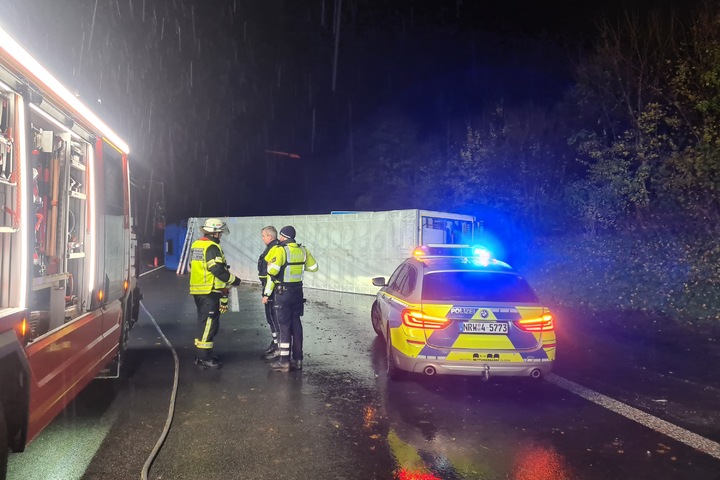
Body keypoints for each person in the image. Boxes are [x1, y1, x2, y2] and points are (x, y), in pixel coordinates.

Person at [262, 225, 318, 372]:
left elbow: (273, 271)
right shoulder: (303, 250)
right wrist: (298, 266)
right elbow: (314, 268)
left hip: (283, 293)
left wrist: (270, 266)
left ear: (283, 237)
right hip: (298, 292)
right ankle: (298, 359)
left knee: (284, 326)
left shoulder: (281, 250)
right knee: (296, 325)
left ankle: (284, 361)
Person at [189, 218, 241, 369]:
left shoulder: (197, 244)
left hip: (199, 290)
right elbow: (217, 270)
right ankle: (204, 357)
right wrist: (234, 280)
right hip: (209, 291)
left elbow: (193, 266)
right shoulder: (212, 247)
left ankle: (202, 354)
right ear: (214, 233)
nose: (221, 236)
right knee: (209, 325)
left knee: (203, 323)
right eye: (219, 233)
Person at [257, 225, 281, 359]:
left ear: (270, 236)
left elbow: (272, 274)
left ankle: (278, 346)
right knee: (270, 317)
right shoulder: (271, 248)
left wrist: (266, 294)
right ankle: (275, 342)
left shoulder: (275, 249)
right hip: (268, 287)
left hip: (271, 289)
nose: (262, 238)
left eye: (263, 236)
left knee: (273, 317)